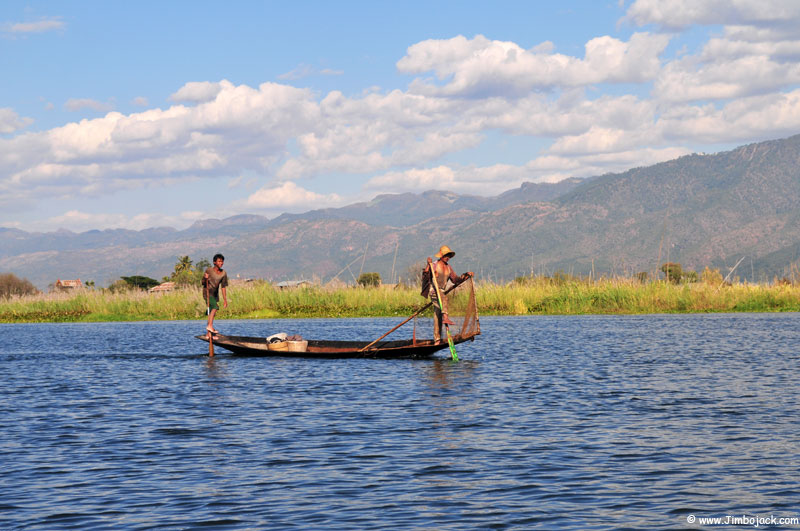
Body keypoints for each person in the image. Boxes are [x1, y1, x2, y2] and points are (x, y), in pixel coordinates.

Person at [421, 245, 473, 342]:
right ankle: (445, 316)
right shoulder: (434, 265)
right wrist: (428, 265)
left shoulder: (449, 268)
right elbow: (425, 275)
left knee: (437, 315)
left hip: (442, 291)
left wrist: (466, 276)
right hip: (434, 291)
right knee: (444, 299)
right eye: (446, 255)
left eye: (449, 255)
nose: (447, 257)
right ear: (441, 256)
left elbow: (455, 280)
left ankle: (437, 339)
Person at [203, 253, 228, 337]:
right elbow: (203, 283)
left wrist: (225, 300)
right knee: (215, 307)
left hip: (215, 294)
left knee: (211, 313)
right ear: (214, 262)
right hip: (207, 293)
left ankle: (208, 334)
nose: (221, 263)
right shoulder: (209, 270)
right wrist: (205, 278)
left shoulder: (223, 273)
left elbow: (223, 287)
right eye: (219, 261)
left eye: (222, 261)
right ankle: (210, 326)